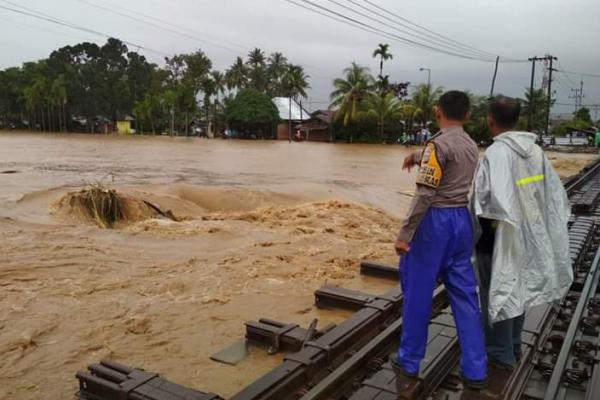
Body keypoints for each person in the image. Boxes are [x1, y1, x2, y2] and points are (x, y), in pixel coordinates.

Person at [471, 96, 573, 370]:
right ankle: (513, 345)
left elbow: (483, 201)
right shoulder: (535, 152)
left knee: (497, 293)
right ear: (517, 120)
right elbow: (553, 198)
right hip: (529, 235)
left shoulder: (496, 153)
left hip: (497, 239)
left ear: (490, 120)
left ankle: (499, 355)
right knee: (518, 287)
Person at [393, 91, 487, 388]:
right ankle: (475, 369)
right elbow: (447, 159)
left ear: (437, 112)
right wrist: (418, 155)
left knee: (418, 292)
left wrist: (405, 234)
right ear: (468, 116)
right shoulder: (472, 145)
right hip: (462, 221)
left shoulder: (437, 144)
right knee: (464, 295)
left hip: (435, 224)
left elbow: (425, 194)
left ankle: (409, 360)